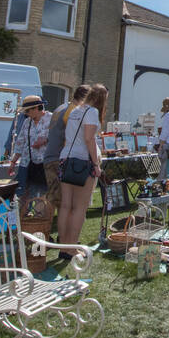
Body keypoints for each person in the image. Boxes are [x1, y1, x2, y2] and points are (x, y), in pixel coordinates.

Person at [58, 83, 107, 261]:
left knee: (65, 205)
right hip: (82, 162)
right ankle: (71, 247)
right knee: (80, 207)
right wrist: (96, 164)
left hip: (66, 157)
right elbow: (89, 139)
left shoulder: (75, 110)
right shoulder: (92, 112)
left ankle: (63, 245)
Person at [43, 86, 88, 227]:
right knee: (60, 200)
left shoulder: (62, 107)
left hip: (51, 156)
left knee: (54, 197)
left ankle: (46, 231)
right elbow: (72, 136)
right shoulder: (73, 111)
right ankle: (46, 231)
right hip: (59, 158)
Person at [7, 94, 49, 200]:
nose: (26, 114)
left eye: (28, 111)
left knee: (43, 194)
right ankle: (24, 214)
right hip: (27, 162)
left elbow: (59, 138)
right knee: (23, 193)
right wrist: (13, 162)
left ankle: (40, 216)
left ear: (36, 108)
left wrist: (45, 140)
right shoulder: (27, 122)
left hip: (45, 164)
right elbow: (20, 143)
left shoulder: (51, 119)